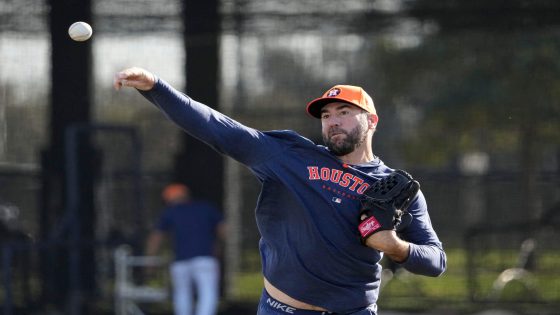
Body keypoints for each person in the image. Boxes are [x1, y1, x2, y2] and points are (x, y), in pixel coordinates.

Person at [115, 67, 447, 315]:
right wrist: (156, 87)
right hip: (281, 309)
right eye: (327, 115)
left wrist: (397, 247)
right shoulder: (289, 157)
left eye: (345, 113)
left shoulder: (396, 188)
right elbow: (219, 129)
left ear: (372, 121)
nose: (333, 121)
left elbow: (436, 261)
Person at [145, 183, 226, 315]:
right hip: (205, 259)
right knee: (208, 293)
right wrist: (218, 246)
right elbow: (223, 229)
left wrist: (151, 260)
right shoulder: (206, 208)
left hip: (180, 261)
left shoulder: (169, 212)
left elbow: (156, 237)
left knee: (182, 295)